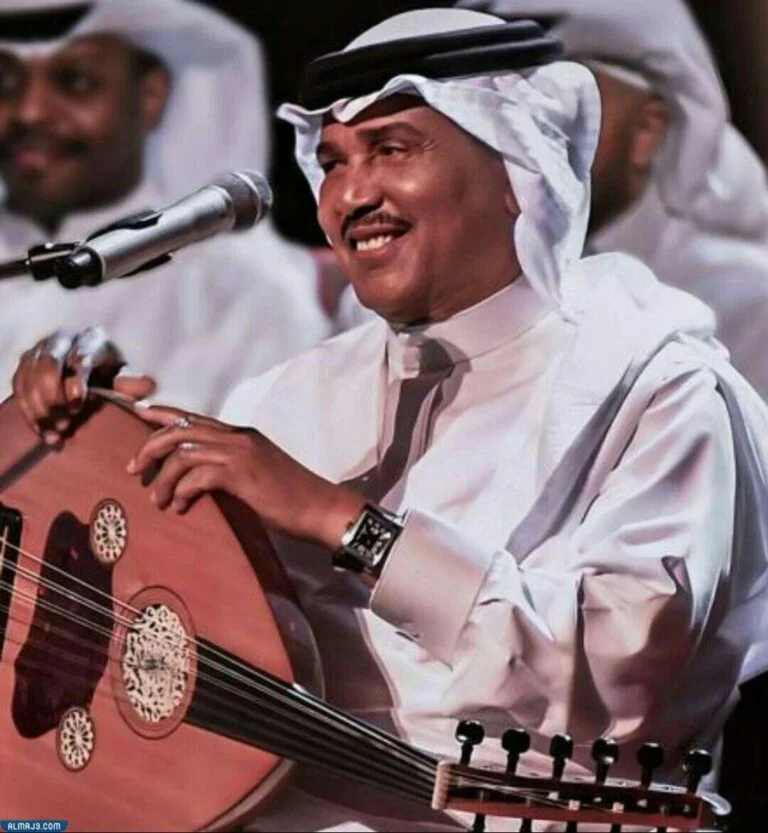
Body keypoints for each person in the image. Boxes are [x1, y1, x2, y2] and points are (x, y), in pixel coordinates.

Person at [12, 8, 768, 832]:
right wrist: (76, 437)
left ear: (519, 166)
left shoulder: (658, 388)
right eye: (332, 161)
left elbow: (623, 673)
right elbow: (145, 628)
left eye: (392, 150)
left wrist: (344, 522)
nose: (350, 195)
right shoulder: (285, 397)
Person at [0, 0, 332, 414]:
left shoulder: (239, 288)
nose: (31, 113)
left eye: (76, 82)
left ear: (151, 96)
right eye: (5, 82)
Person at [459, 0, 768, 402]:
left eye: (562, 110)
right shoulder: (477, 276)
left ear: (647, 129)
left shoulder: (745, 300)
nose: (524, 137)